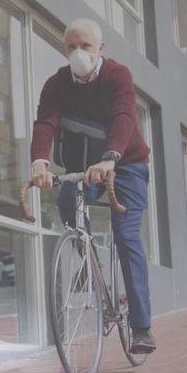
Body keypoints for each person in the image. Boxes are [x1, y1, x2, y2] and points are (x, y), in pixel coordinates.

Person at [29, 18, 156, 354]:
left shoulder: (117, 75)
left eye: (85, 46)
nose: (77, 52)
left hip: (126, 166)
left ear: (100, 49)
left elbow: (124, 117)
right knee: (68, 202)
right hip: (85, 168)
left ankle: (141, 328)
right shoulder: (57, 84)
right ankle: (86, 264)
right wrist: (39, 162)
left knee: (126, 236)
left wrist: (111, 157)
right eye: (71, 46)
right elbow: (45, 122)